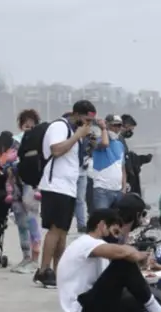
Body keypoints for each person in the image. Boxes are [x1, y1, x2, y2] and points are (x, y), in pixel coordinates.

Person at [58, 208, 161, 312]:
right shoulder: (86, 242)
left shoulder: (98, 251)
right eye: (115, 232)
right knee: (123, 262)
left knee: (136, 297)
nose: (116, 238)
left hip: (90, 310)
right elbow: (123, 252)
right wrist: (138, 255)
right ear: (102, 225)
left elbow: (115, 283)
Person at [34, 100, 96, 288]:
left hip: (69, 187)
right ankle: (43, 270)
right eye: (86, 120)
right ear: (77, 114)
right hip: (55, 185)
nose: (88, 124)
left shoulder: (74, 131)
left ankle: (57, 270)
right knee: (54, 229)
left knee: (63, 231)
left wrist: (87, 142)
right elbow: (56, 150)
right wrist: (78, 136)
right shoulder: (59, 126)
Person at [10, 109, 43, 274]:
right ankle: (25, 256)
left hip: (31, 186)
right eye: (25, 126)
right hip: (16, 185)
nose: (28, 129)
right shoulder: (15, 141)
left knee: (32, 220)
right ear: (20, 126)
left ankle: (35, 258)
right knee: (21, 222)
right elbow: (9, 159)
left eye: (32, 126)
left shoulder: (40, 143)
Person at [91, 114, 126, 210]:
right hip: (102, 190)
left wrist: (123, 188)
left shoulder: (120, 145)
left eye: (119, 125)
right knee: (102, 220)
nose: (117, 128)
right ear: (107, 125)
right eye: (114, 125)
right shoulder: (96, 141)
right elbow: (105, 143)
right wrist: (103, 129)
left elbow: (122, 168)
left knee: (116, 223)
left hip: (118, 190)